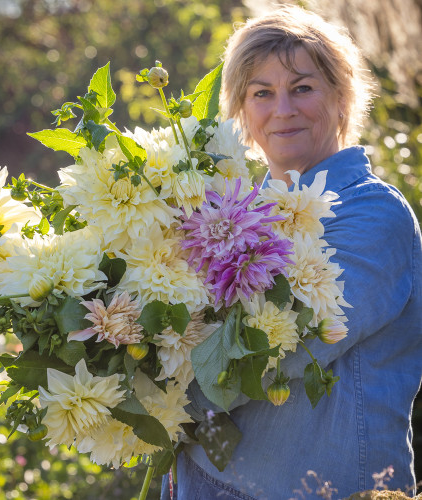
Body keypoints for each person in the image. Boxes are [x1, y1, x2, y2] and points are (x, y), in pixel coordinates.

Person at [161, 6, 422, 499]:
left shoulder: (373, 215)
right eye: (262, 93)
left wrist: (147, 388)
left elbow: (275, 349)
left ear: (342, 98)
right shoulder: (220, 211)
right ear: (241, 109)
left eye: (302, 87)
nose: (282, 109)